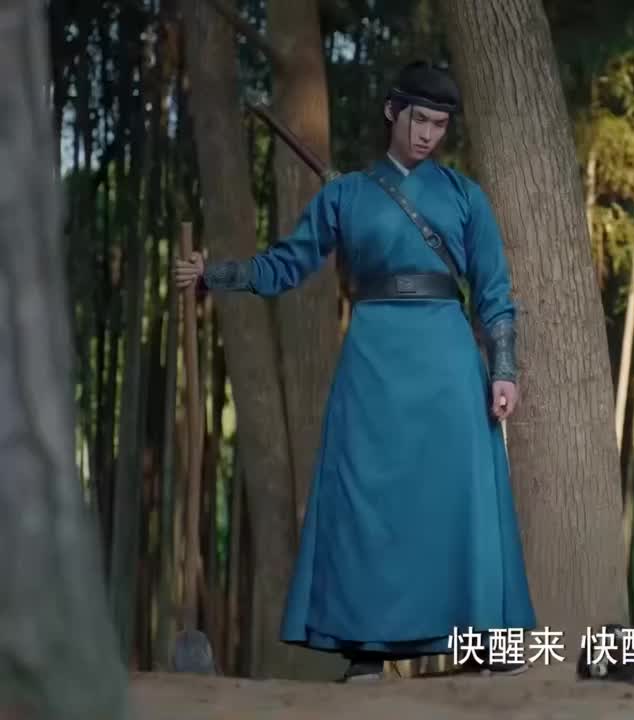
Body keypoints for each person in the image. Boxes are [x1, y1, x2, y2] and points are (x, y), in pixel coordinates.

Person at [173, 60, 536, 681]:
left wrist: (503, 368)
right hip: (374, 358)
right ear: (393, 111)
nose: (428, 135)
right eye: (419, 120)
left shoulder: (464, 196)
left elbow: (494, 291)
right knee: (369, 498)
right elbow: (286, 264)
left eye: (439, 125)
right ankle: (368, 648)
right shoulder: (345, 195)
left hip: (449, 359)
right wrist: (217, 274)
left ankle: (484, 642)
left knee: (460, 495)